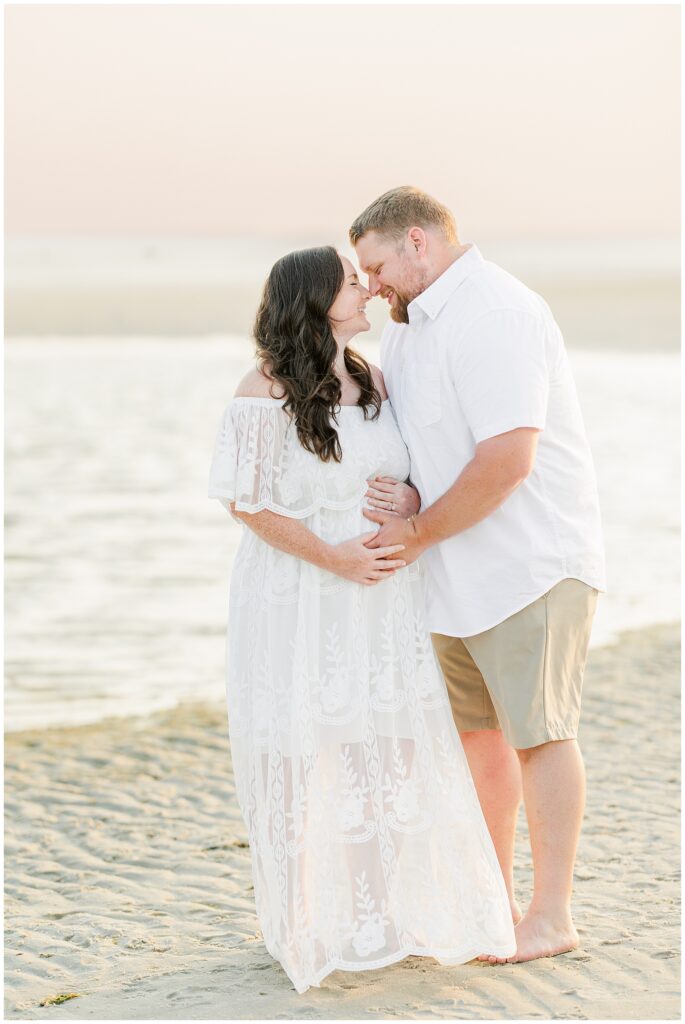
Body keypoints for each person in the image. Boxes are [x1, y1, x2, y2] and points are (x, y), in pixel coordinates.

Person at [208, 245, 516, 993]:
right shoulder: (262, 391)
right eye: (352, 283)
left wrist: (410, 505)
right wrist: (333, 557)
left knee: (378, 751)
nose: (367, 289)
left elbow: (405, 474)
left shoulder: (372, 378)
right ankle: (301, 919)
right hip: (298, 597)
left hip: (378, 604)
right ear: (314, 301)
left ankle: (376, 917)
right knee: (295, 747)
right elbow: (246, 503)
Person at [350, 186, 607, 964]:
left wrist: (415, 531)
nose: (369, 286)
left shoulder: (496, 313)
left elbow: (506, 461)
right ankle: (490, 905)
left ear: (419, 242)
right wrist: (411, 497)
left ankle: (550, 915)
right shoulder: (407, 333)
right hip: (454, 573)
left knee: (541, 734)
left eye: (376, 266)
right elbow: (442, 453)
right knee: (477, 740)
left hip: (529, 564)